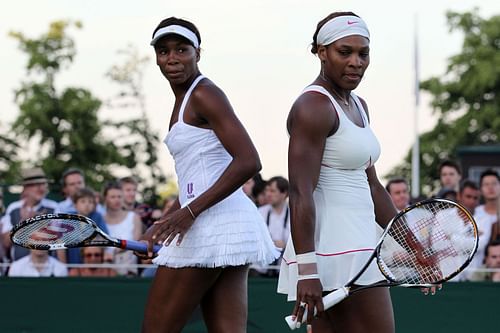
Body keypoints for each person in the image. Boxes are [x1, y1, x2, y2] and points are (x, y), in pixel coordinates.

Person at [276, 12, 432, 332]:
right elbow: (300, 192)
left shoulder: (359, 104)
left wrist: (415, 249)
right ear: (321, 52)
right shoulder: (313, 107)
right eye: (344, 52)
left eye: (363, 53)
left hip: (356, 243)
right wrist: (308, 271)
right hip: (335, 250)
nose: (356, 62)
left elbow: (374, 188)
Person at [139, 17, 278, 333]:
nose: (172, 59)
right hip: (224, 225)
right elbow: (195, 181)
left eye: (181, 49)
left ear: (197, 53)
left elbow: (249, 161)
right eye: (163, 51)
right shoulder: (186, 99)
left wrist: (189, 212)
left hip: (212, 225)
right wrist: (160, 226)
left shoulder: (204, 94)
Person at [1, 168, 58, 261]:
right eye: (36, 184)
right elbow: (6, 243)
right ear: (26, 188)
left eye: (43, 184)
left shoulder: (54, 207)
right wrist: (23, 223)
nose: (41, 188)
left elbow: (60, 241)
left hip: (46, 269)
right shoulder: (13, 208)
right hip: (18, 269)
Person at [103, 181, 142, 276]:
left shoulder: (134, 217)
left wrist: (115, 251)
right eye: (113, 197)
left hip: (128, 270)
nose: (117, 200)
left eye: (119, 196)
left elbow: (136, 244)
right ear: (105, 199)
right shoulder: (99, 218)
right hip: (104, 269)